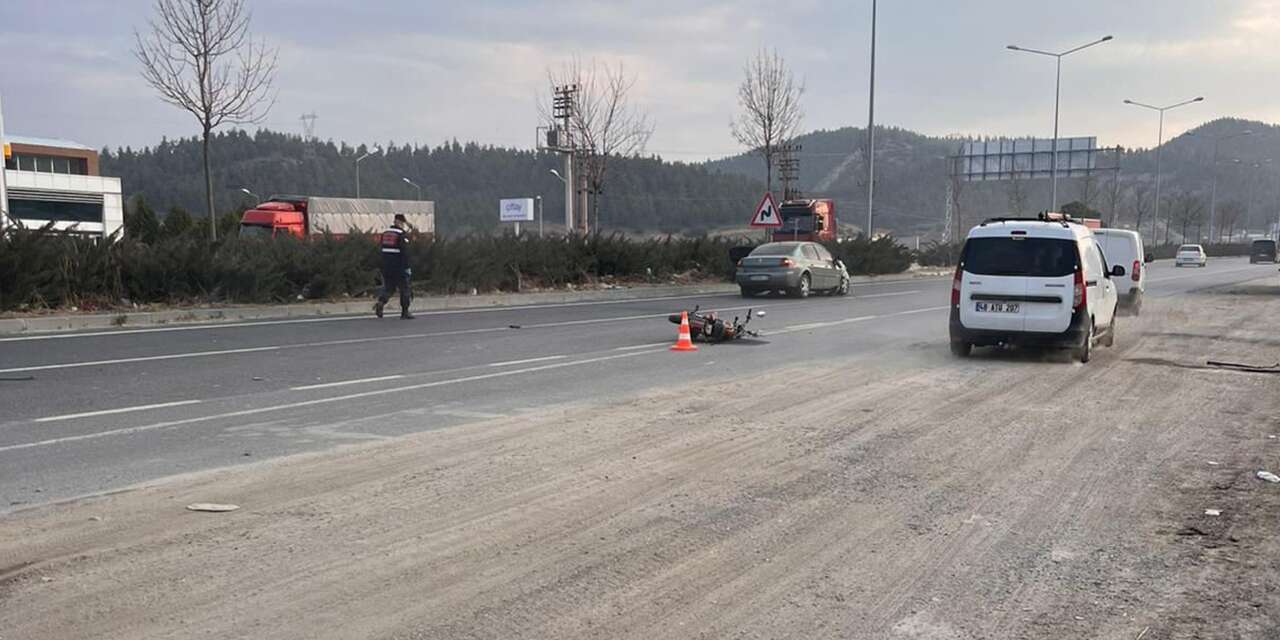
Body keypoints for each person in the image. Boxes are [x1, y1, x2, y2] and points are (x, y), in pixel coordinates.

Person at [374, 214, 414, 319]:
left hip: (386, 266)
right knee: (405, 289)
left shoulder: (385, 233)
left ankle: (381, 303)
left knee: (389, 288)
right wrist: (407, 268)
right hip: (399, 267)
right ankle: (405, 312)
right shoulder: (401, 235)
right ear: (400, 223)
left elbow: (381, 249)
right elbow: (405, 253)